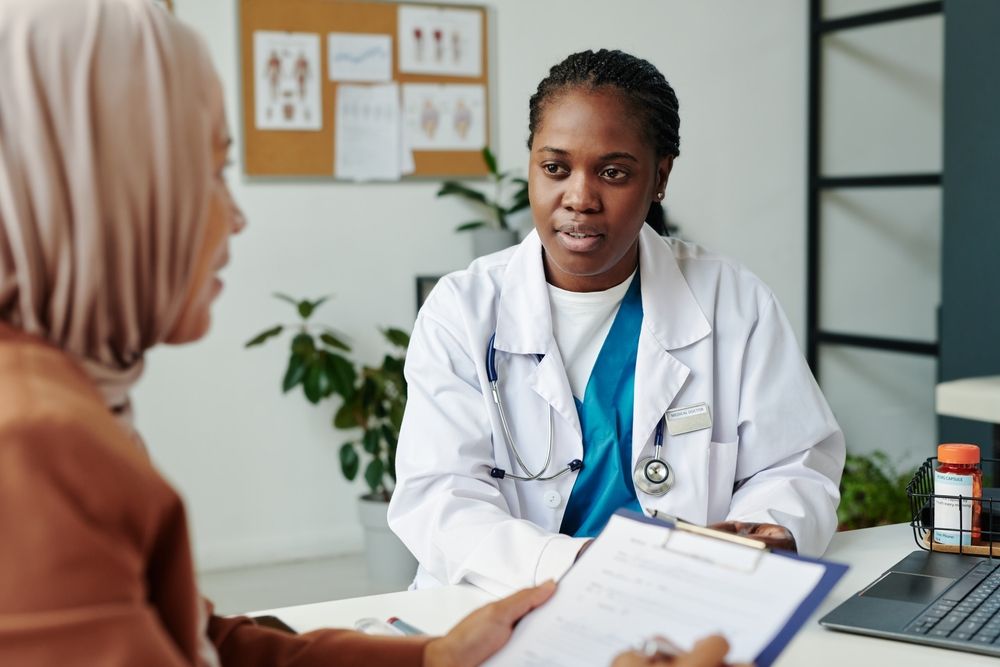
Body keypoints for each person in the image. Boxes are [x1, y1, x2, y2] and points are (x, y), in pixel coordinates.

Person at [0, 3, 739, 666]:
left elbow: (199, 641)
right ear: (106, 189)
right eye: (211, 171)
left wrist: (430, 662)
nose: (235, 215)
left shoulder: (70, 406)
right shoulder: (34, 447)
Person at [389, 49, 846, 596]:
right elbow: (441, 498)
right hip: (497, 606)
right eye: (555, 168)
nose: (579, 199)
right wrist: (576, 564)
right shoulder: (462, 310)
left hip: (683, 603)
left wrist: (768, 530)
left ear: (660, 177)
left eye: (613, 172)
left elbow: (796, 464)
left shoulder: (732, 301)